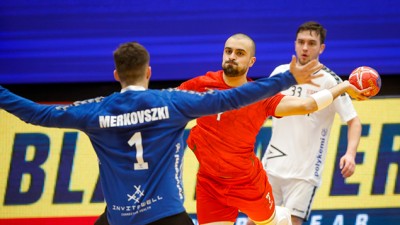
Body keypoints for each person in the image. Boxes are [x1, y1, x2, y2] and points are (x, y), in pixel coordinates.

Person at [0, 42, 325, 225]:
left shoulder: (93, 110)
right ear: (149, 72)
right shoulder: (172, 103)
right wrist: (286, 79)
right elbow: (233, 97)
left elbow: (36, 113)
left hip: (120, 219)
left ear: (116, 75)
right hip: (166, 216)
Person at [176, 33, 369, 225]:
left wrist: (342, 87)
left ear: (251, 61)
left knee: (273, 222)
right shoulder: (200, 86)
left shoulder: (260, 95)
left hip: (247, 184)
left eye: (239, 53)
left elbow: (307, 105)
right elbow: (164, 106)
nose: (232, 56)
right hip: (210, 185)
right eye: (228, 51)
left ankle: (280, 216)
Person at [248, 21, 364, 225]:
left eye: (311, 43)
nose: (305, 48)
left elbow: (353, 121)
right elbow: (258, 108)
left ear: (321, 48)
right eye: (301, 42)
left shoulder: (331, 81)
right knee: (255, 222)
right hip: (271, 166)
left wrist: (350, 154)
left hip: (305, 174)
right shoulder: (280, 73)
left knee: (292, 222)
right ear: (294, 44)